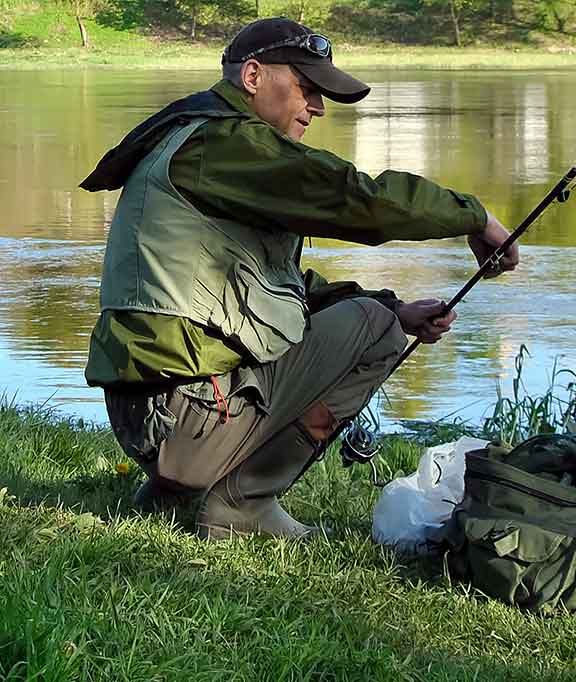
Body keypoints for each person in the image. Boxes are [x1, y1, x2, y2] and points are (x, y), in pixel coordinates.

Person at [79, 17, 518, 540]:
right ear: (254, 76)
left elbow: (273, 285)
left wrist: (394, 306)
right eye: (307, 89)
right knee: (376, 331)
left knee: (381, 316)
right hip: (182, 417)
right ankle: (241, 502)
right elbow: (357, 200)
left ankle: (173, 493)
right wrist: (474, 216)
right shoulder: (226, 145)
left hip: (154, 416)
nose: (317, 107)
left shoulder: (194, 137)